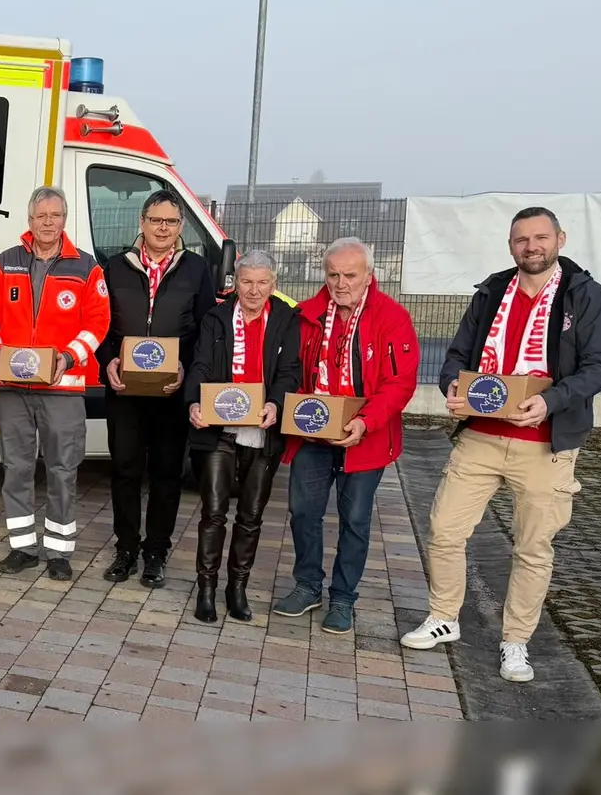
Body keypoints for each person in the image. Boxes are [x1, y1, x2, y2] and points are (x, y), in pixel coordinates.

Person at [401, 207, 601, 683]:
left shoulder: (584, 295)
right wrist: (452, 389)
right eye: (521, 239)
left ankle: (515, 641)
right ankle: (443, 617)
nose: (531, 246)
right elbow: (458, 354)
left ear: (559, 238)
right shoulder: (492, 291)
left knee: (532, 547)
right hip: (481, 436)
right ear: (510, 244)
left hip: (547, 443)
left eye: (541, 237)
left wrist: (553, 402)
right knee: (444, 529)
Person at [271, 237, 419, 635]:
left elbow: (400, 382)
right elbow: (289, 370)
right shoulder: (306, 314)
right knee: (303, 512)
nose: (340, 283)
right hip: (312, 434)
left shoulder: (392, 317)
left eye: (350, 275)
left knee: (354, 519)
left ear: (369, 275)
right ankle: (307, 586)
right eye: (333, 274)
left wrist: (366, 422)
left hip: (365, 437)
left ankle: (343, 596)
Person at [0, 185, 110, 580]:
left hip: (63, 388)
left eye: (55, 215)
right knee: (15, 468)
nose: (48, 223)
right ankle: (22, 548)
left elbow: (97, 324)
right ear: (29, 220)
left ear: (64, 220)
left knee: (62, 470)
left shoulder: (86, 268)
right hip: (14, 389)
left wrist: (68, 357)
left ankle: (59, 551)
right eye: (41, 216)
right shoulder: (6, 263)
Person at [97, 190, 218, 588]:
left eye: (170, 222)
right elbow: (101, 325)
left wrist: (187, 368)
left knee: (166, 474)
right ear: (142, 223)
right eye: (155, 220)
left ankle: (156, 552)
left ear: (180, 227)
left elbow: (204, 329)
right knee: (125, 471)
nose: (162, 229)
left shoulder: (197, 269)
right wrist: (108, 360)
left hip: (171, 390)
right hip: (125, 389)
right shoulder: (115, 266)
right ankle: (126, 549)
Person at [182, 250, 301, 623]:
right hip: (219, 429)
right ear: (235, 282)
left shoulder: (285, 319)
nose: (253, 290)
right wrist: (193, 403)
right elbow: (199, 363)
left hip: (262, 430)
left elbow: (289, 371)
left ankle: (237, 589)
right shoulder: (216, 318)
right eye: (246, 281)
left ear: (273, 284)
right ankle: (206, 590)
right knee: (214, 512)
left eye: (262, 282)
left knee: (251, 516)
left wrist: (276, 404)